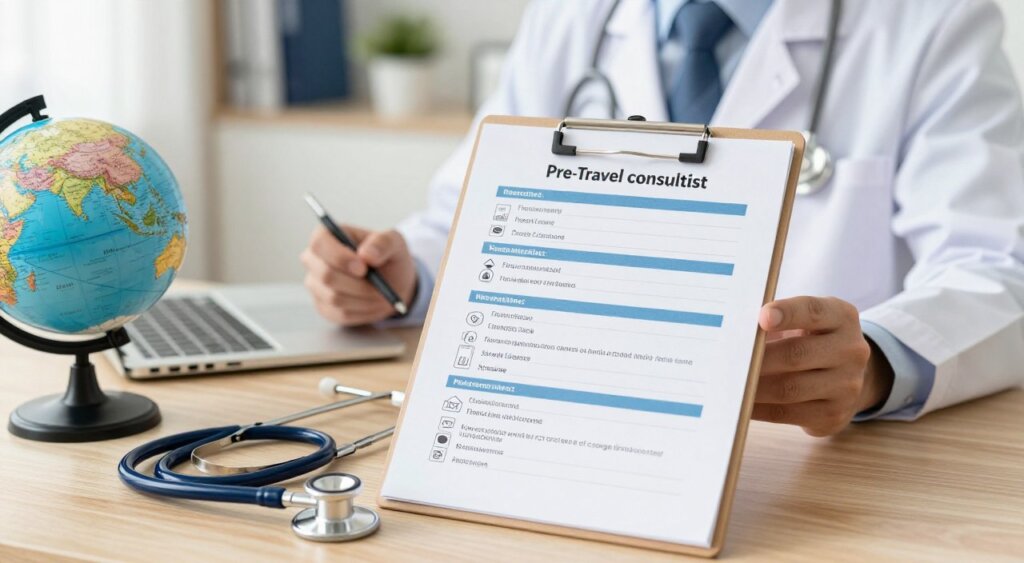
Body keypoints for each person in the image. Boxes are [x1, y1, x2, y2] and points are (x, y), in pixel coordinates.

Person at [301, 0, 1024, 437]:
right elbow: (472, 208)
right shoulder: (573, 16)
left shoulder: (931, 19)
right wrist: (408, 274)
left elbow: (994, 267)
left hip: (803, 462)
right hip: (571, 424)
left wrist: (874, 360)